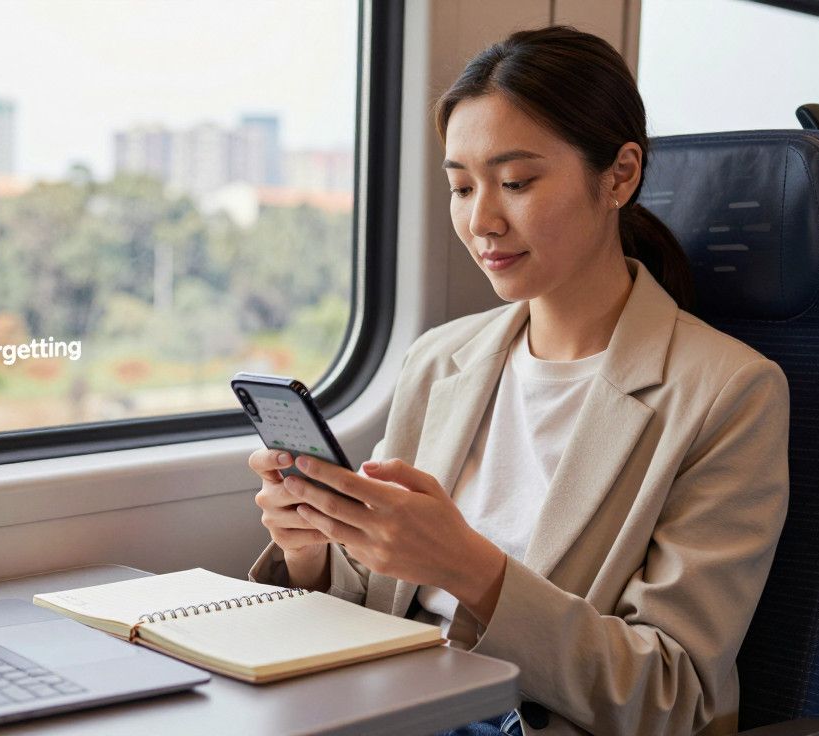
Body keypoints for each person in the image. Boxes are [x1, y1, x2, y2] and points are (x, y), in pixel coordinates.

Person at [246, 25, 789, 736]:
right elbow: (372, 601)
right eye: (462, 186)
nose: (481, 220)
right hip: (394, 700)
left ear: (619, 176)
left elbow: (670, 695)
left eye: (516, 182)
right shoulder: (440, 361)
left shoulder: (729, 393)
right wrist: (311, 551)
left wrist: (472, 569)